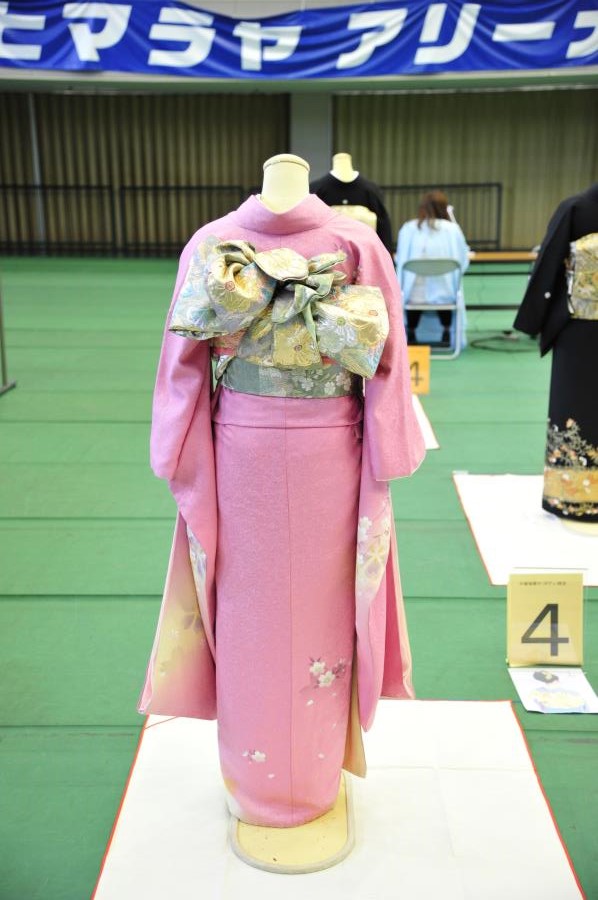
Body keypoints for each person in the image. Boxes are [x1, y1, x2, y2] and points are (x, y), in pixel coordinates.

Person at [138, 154, 425, 854]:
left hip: (306, 454)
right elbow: (183, 361)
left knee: (316, 608)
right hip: (260, 457)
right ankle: (260, 779)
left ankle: (307, 777)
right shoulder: (221, 243)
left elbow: (387, 360)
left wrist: (176, 445)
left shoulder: (353, 244)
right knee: (251, 614)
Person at [513, 183, 598, 524]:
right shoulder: (577, 208)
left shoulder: (575, 208)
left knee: (576, 409)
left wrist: (535, 320)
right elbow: (551, 260)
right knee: (576, 409)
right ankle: (572, 495)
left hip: (578, 326)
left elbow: (548, 261)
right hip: (579, 330)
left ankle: (575, 496)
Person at [395, 190, 470, 347]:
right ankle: (446, 330)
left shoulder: (408, 228)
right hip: (447, 296)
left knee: (415, 289)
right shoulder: (452, 229)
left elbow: (400, 259)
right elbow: (463, 260)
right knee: (446, 287)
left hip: (412, 297)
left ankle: (411, 331)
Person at [310, 152, 394, 256]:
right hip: (326, 257)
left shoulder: (371, 191)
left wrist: (386, 255)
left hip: (365, 256)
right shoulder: (316, 190)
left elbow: (383, 229)